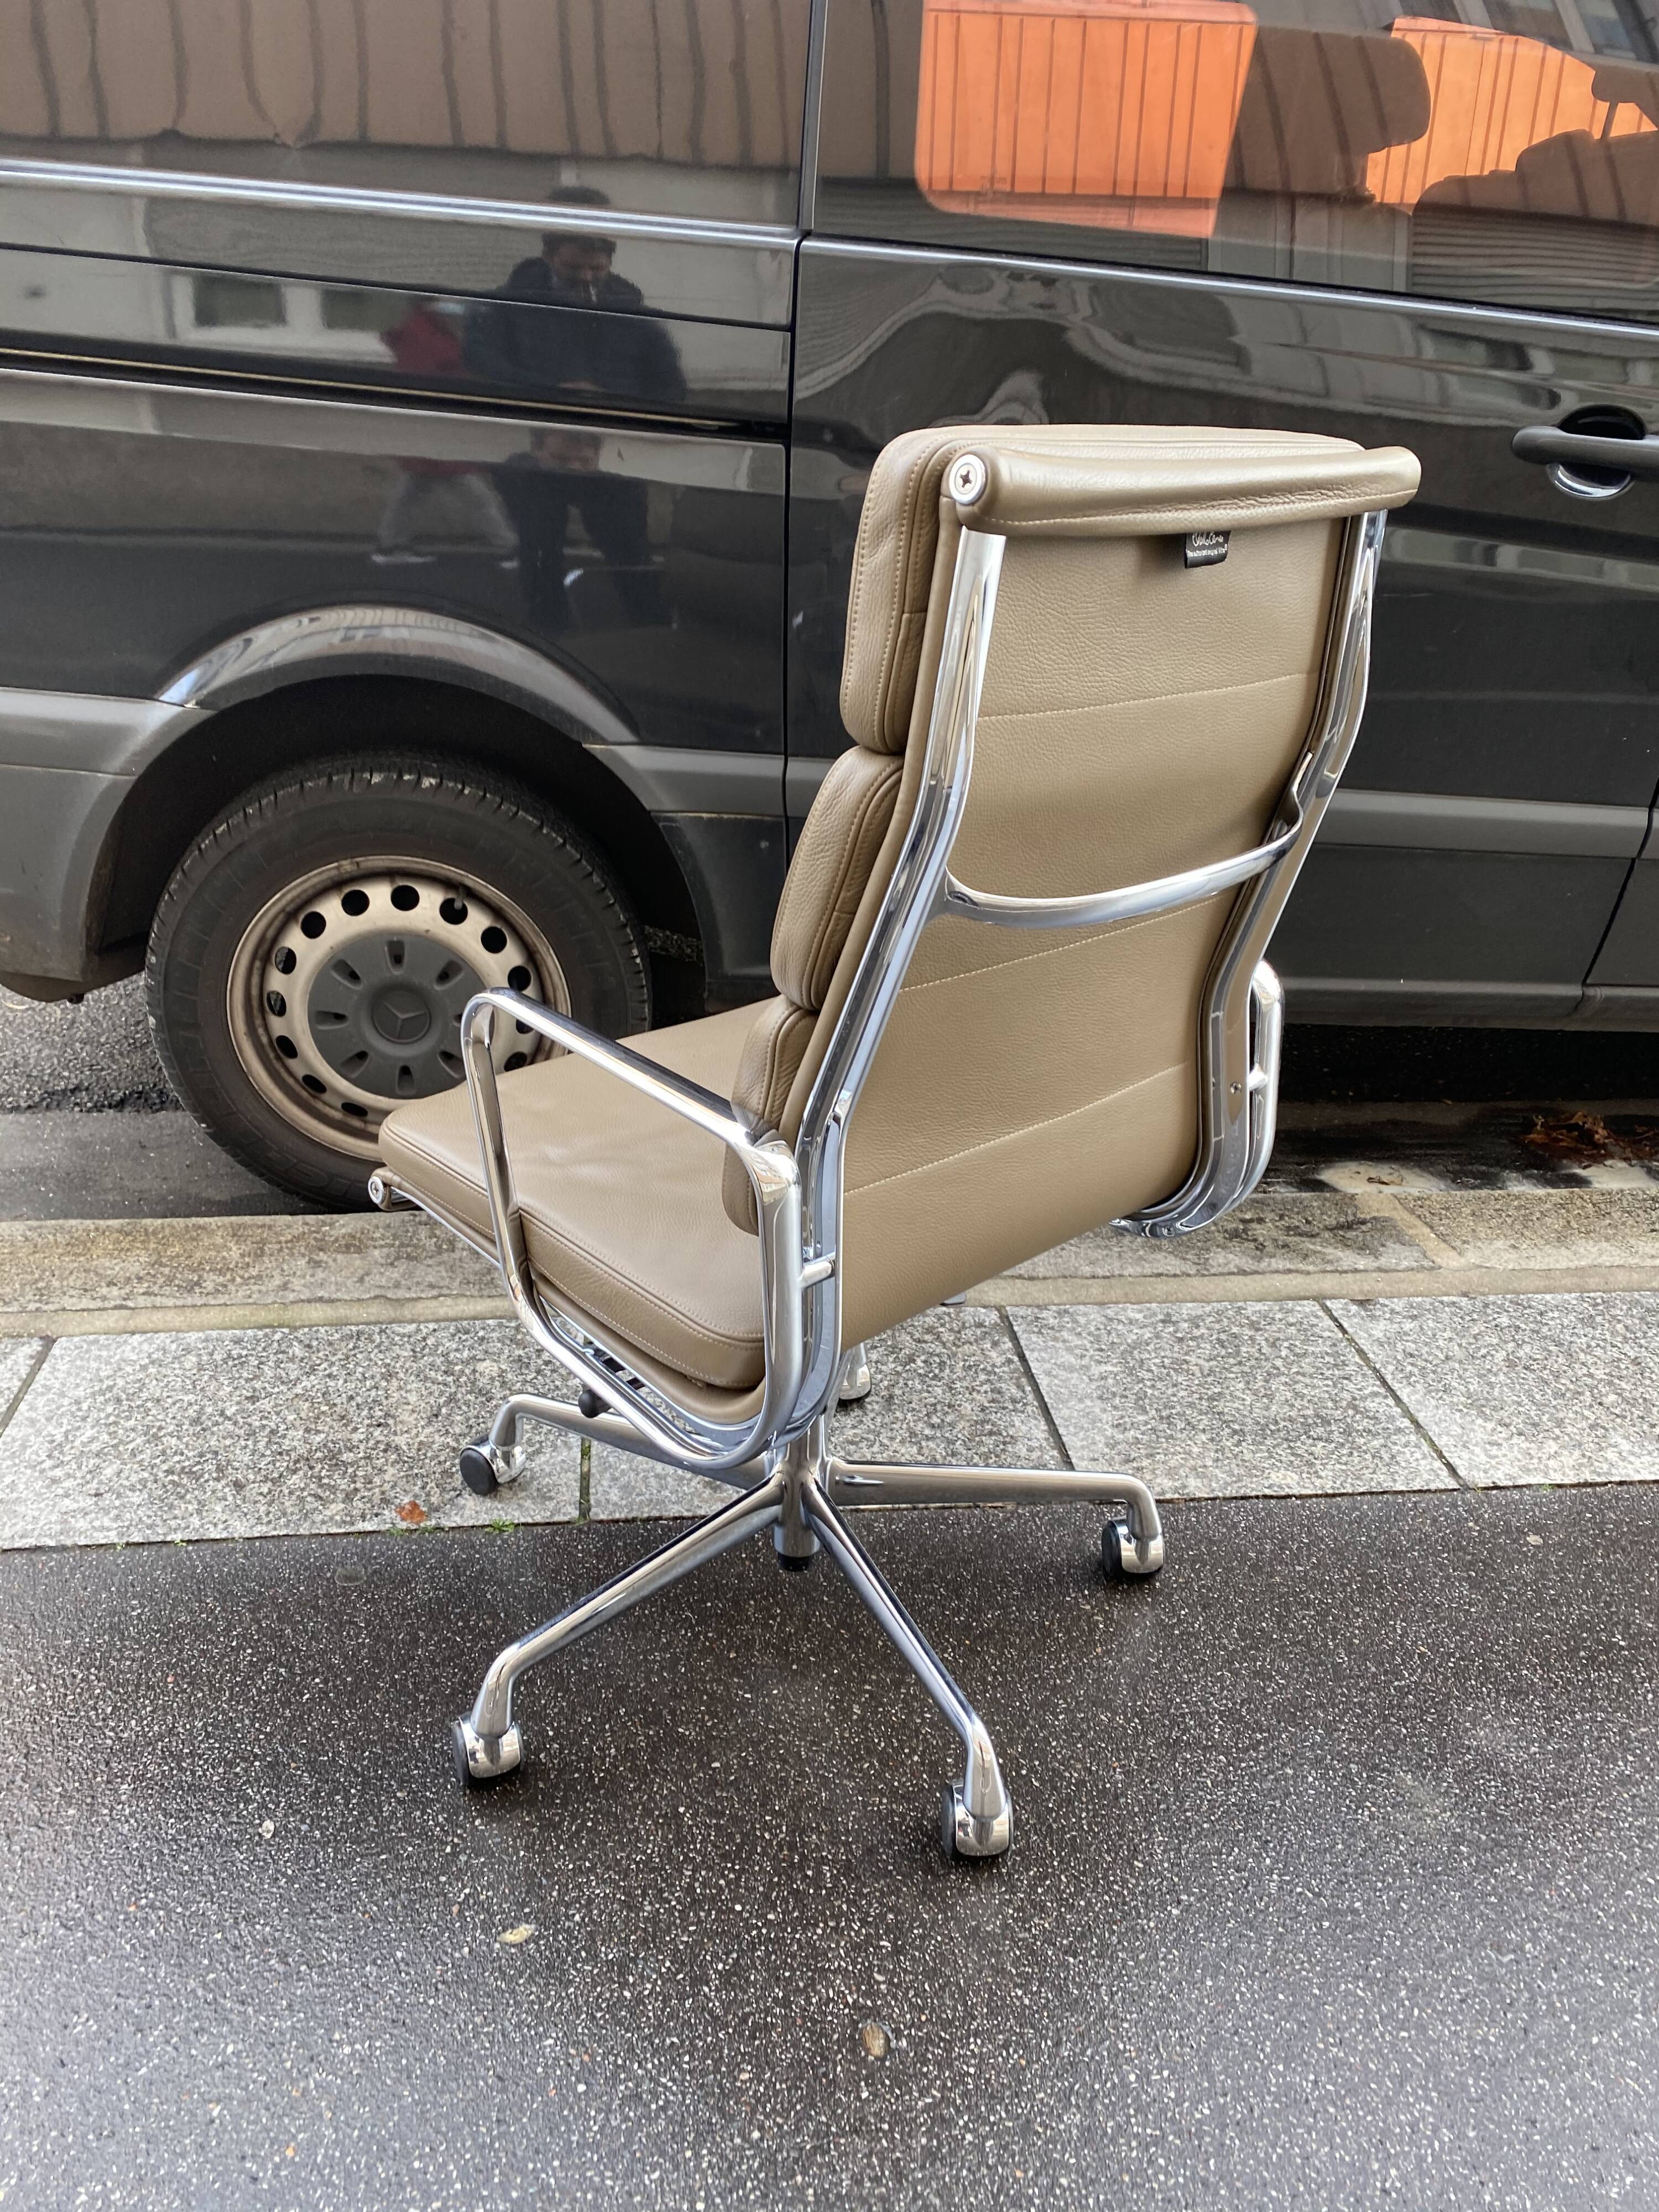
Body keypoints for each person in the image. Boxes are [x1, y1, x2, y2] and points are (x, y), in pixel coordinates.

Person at [371, 298, 518, 566]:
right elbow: (436, 379)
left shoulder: (424, 331)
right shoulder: (425, 336)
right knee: (472, 494)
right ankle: (508, 547)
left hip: (430, 429)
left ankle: (390, 544)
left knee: (413, 491)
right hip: (437, 429)